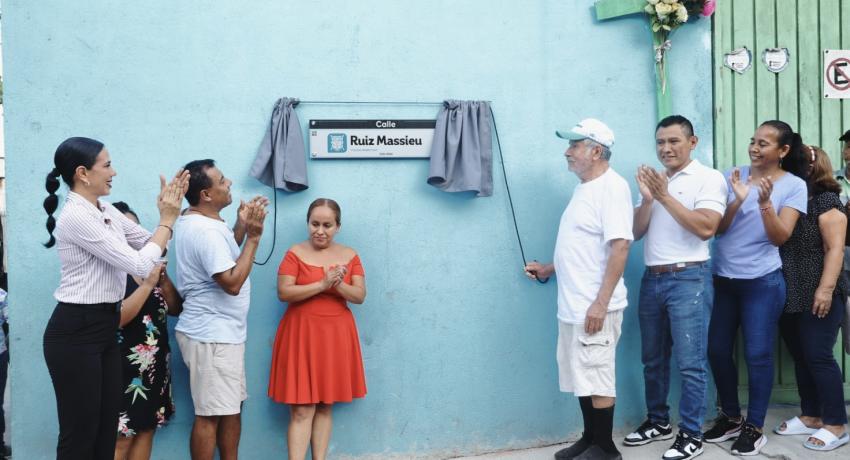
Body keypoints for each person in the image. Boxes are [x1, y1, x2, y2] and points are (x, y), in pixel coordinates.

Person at [42, 137, 187, 460]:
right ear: (82, 173)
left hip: (104, 326)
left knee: (106, 431)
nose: (114, 172)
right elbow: (139, 263)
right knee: (80, 434)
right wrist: (166, 219)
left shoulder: (104, 209)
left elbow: (149, 244)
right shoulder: (76, 216)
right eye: (107, 165)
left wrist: (168, 218)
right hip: (76, 330)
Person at [524, 119, 632, 460]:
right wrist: (549, 268)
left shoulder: (612, 188)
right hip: (574, 305)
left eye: (575, 145)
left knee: (598, 376)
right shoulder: (584, 188)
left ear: (596, 151)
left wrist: (600, 304)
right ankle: (590, 439)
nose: (567, 152)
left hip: (594, 307)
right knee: (582, 374)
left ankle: (606, 449)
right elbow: (583, 247)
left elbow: (620, 248)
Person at [624, 115, 727, 460]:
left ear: (692, 142)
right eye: (660, 143)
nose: (665, 149)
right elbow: (636, 233)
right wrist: (649, 199)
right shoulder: (655, 182)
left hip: (689, 279)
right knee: (652, 359)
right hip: (652, 278)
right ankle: (658, 421)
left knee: (690, 362)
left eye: (673, 141)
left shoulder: (708, 178)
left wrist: (665, 196)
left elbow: (706, 228)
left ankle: (691, 434)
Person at [704, 120, 808, 455]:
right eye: (753, 141)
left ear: (783, 150)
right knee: (718, 350)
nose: (754, 148)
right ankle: (731, 417)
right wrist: (737, 199)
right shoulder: (729, 176)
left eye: (764, 143)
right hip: (725, 280)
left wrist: (764, 203)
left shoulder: (793, 186)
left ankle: (754, 426)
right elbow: (716, 230)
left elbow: (780, 237)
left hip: (762, 283)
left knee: (758, 355)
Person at [173, 159, 267, 460]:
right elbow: (231, 282)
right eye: (222, 180)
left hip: (221, 334)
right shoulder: (206, 231)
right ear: (206, 195)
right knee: (210, 415)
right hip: (212, 337)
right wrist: (253, 237)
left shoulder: (202, 222)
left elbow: (222, 261)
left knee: (229, 409)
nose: (229, 184)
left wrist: (239, 227)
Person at [269, 198, 367, 460]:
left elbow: (359, 295)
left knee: (325, 405)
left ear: (338, 226)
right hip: (301, 334)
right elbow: (284, 292)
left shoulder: (351, 255)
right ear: (308, 223)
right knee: (302, 409)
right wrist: (322, 285)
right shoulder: (294, 253)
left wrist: (337, 285)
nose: (320, 231)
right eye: (314, 224)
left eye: (327, 225)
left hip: (336, 337)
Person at [774, 146, 849, 451]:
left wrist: (826, 289)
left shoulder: (826, 200)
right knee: (802, 356)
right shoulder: (789, 199)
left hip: (819, 290)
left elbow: (834, 248)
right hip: (790, 291)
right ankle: (812, 415)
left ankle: (836, 423)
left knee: (818, 355)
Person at [111, 202, 183, 460]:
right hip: (122, 369)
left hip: (154, 368)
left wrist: (161, 280)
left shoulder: (150, 269)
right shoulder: (110, 273)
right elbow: (118, 318)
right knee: (121, 437)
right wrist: (149, 282)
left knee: (146, 429)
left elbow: (175, 308)